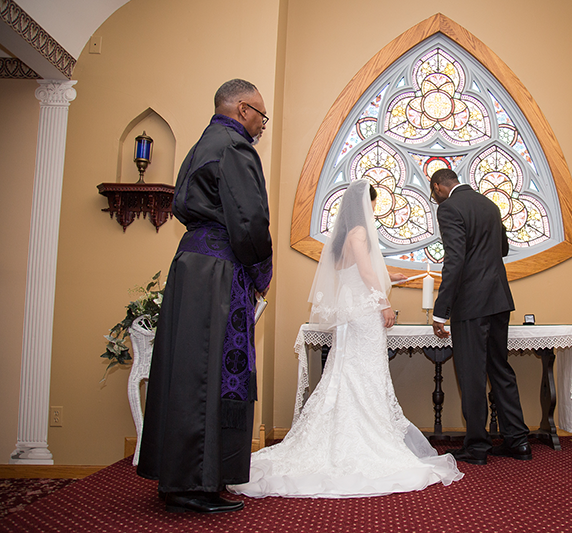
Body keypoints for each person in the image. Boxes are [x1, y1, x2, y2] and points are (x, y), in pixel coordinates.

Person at [228, 179, 463, 499]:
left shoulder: (343, 239)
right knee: (365, 375)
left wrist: (393, 274)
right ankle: (365, 439)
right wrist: (385, 303)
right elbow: (367, 274)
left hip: (348, 319)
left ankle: (335, 436)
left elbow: (359, 270)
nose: (374, 210)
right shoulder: (361, 233)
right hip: (364, 316)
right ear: (363, 206)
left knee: (343, 374)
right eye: (373, 204)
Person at [137, 79, 273, 514]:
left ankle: (183, 477)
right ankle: (195, 484)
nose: (262, 126)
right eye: (261, 116)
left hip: (191, 263)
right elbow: (249, 220)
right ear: (242, 109)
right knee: (209, 371)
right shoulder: (234, 146)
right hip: (219, 269)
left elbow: (182, 206)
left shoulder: (202, 143)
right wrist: (261, 270)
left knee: (187, 369)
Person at [429, 168, 530, 465]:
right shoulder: (489, 204)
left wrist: (441, 310)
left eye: (433, 192)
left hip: (471, 304)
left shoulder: (449, 208)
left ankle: (476, 447)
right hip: (499, 299)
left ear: (438, 187)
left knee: (472, 375)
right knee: (500, 369)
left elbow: (455, 259)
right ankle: (518, 441)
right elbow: (503, 248)